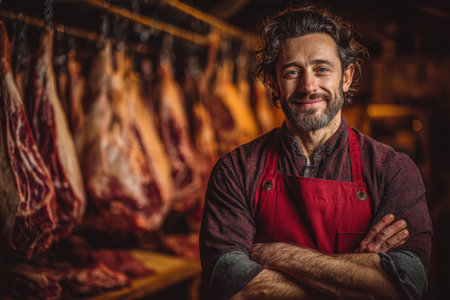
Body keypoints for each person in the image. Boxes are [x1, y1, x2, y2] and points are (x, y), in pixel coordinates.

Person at [199, 5, 432, 300]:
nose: (308, 86)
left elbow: (406, 284)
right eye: (292, 71)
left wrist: (275, 254)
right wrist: (357, 278)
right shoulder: (235, 170)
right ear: (273, 82)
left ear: (345, 78)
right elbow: (228, 283)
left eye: (322, 69)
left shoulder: (393, 170)